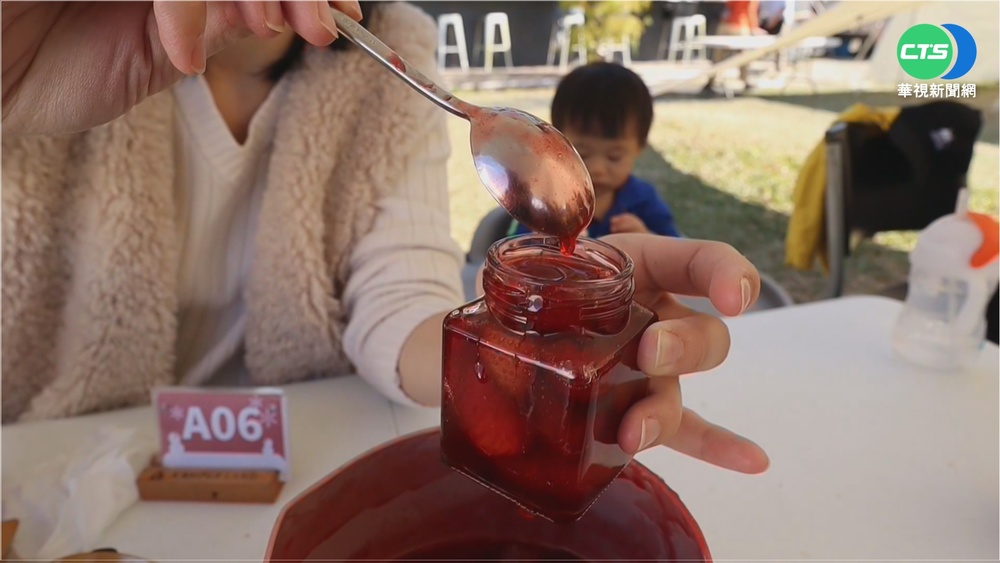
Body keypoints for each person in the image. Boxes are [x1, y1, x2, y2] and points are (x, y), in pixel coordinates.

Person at [2, 1, 769, 474]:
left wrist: (524, 345)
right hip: (56, 466)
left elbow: (399, 295)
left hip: (307, 456)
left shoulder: (394, 50)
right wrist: (15, 75)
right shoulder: (53, 26)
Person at [510, 62, 680, 238]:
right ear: (556, 144)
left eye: (614, 156)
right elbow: (510, 248)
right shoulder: (545, 199)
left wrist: (646, 238)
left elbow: (679, 252)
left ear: (639, 148)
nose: (597, 169)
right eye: (582, 155)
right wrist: (541, 241)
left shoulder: (643, 201)